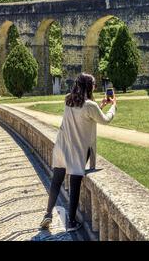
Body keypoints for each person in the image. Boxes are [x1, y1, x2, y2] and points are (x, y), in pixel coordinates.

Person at [40, 73, 117, 232]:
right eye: (93, 84)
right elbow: (105, 120)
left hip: (62, 146)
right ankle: (71, 222)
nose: (95, 87)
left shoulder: (69, 99)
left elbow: (83, 115)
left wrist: (100, 106)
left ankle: (48, 213)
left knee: (56, 181)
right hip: (77, 149)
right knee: (75, 184)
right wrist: (113, 106)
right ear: (89, 86)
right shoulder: (90, 105)